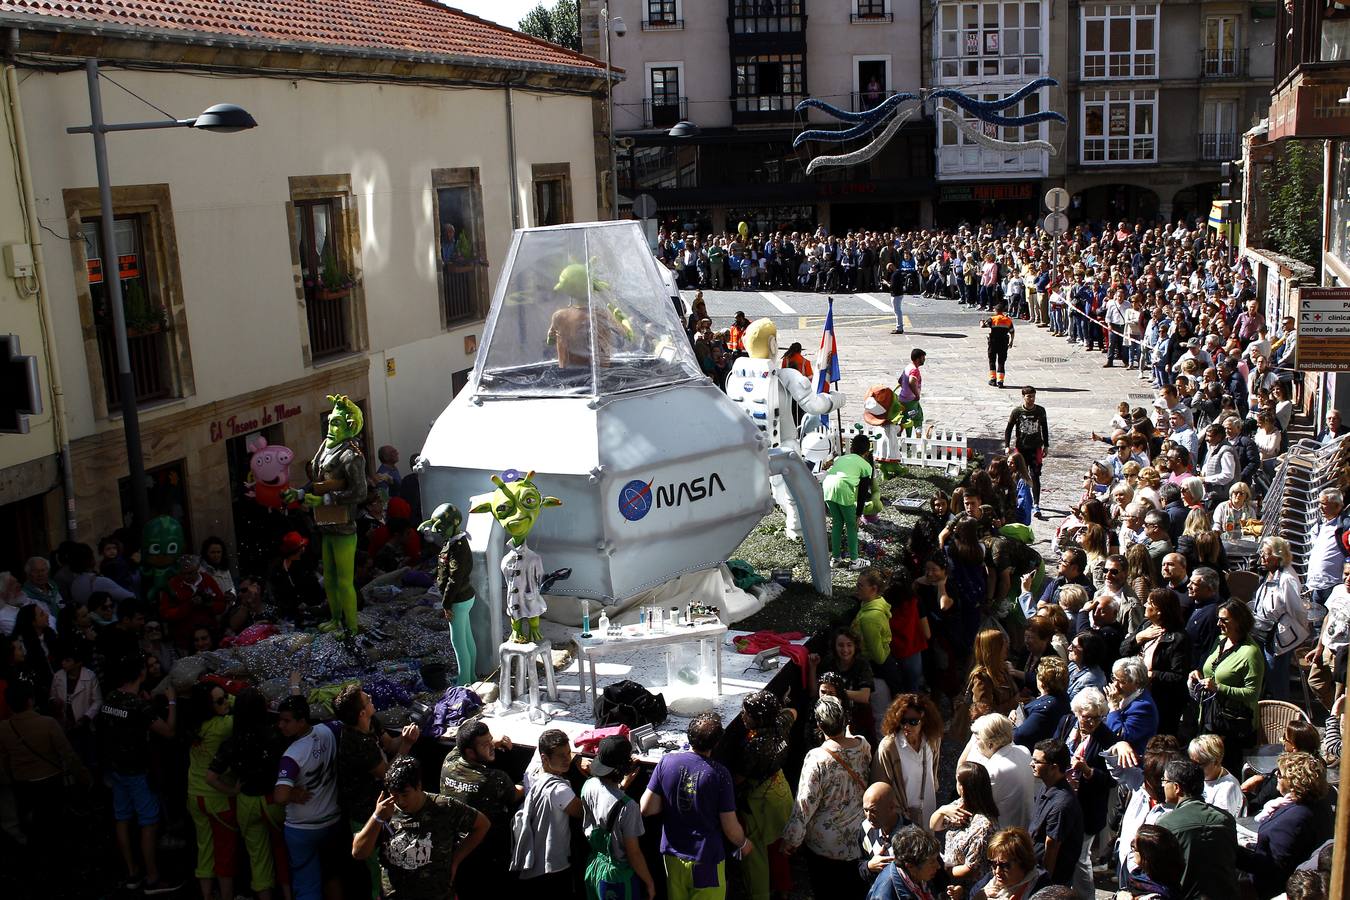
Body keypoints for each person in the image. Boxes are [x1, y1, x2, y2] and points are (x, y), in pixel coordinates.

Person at [641, 712, 750, 900]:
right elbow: (730, 826)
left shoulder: (666, 762)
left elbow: (646, 808)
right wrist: (744, 843)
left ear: (688, 735)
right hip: (705, 858)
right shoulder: (720, 774)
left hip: (673, 856)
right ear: (716, 743)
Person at [351, 756, 489, 900]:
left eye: (405, 794)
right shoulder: (385, 811)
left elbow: (482, 825)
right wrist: (377, 818)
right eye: (394, 795)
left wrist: (456, 859)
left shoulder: (444, 807)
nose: (400, 801)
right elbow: (358, 853)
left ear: (419, 785)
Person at [97, 655, 179, 894]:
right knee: (148, 823)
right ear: (140, 674)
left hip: (116, 769)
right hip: (138, 772)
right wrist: (172, 703)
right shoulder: (139, 706)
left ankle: (132, 872)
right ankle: (153, 878)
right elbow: (169, 732)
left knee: (122, 818)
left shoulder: (111, 697)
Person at [335, 683, 420, 898]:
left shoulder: (371, 722)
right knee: (379, 875)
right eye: (367, 699)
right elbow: (388, 775)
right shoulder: (356, 743)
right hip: (366, 815)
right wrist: (408, 745)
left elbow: (391, 745)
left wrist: (407, 735)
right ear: (361, 712)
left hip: (384, 811)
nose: (371, 697)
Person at [205, 687, 291, 900]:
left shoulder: (232, 742)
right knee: (283, 851)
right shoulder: (275, 734)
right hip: (274, 801)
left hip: (246, 802)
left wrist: (232, 791)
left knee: (258, 859)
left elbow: (211, 777)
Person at [784, 696, 869, 899]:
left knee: (826, 891)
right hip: (859, 836)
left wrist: (792, 839)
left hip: (825, 845)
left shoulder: (817, 758)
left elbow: (805, 803)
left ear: (820, 725)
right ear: (844, 719)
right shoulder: (863, 744)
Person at [0, 679, 84, 870]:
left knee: (33, 824)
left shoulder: (4, 728)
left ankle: (37, 861)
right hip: (50, 781)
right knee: (53, 822)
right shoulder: (47, 723)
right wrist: (83, 777)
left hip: (23, 783)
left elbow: (4, 760)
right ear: (30, 700)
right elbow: (68, 755)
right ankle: (58, 862)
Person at [275, 693, 347, 900]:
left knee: (307, 884)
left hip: (302, 829)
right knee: (332, 877)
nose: (281, 725)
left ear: (302, 721)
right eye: (280, 720)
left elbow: (280, 796)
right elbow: (343, 722)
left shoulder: (292, 754)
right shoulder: (328, 731)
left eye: (286, 721)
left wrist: (291, 794)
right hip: (331, 822)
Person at [439, 719, 522, 897]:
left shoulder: (449, 762)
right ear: (470, 752)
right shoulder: (493, 779)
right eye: (485, 745)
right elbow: (516, 793)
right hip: (487, 852)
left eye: (490, 740)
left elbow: (459, 745)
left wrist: (490, 742)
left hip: (457, 848)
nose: (491, 746)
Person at [729, 690, 796, 900]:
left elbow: (738, 779)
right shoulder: (781, 725)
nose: (742, 716)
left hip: (760, 802)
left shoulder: (753, 746)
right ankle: (784, 888)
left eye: (747, 713)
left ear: (758, 719)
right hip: (781, 791)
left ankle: (759, 894)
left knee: (755, 852)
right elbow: (793, 712)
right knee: (778, 846)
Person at [183, 681, 238, 900]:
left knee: (204, 850)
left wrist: (220, 697)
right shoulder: (223, 726)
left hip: (195, 796)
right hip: (219, 798)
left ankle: (206, 896)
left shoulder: (193, 725)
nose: (225, 702)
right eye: (219, 701)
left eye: (224, 697)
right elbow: (243, 706)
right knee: (225, 853)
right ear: (207, 706)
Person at [1157, 759, 1238, 900]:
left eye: (1165, 781)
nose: (1162, 785)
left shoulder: (1166, 824)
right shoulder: (1226, 819)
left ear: (1176, 787)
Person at [1120, 589, 1191, 736]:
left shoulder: (1178, 638)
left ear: (1159, 611)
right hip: (1136, 696)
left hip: (1162, 702)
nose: (1145, 604)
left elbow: (1178, 676)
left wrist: (1150, 674)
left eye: (1149, 603)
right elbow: (1123, 651)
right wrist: (1139, 638)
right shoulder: (1146, 625)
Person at [929, 762, 1001, 897]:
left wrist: (945, 870)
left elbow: (971, 869)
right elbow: (934, 826)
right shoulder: (959, 805)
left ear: (964, 788)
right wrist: (942, 810)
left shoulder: (983, 826)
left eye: (958, 781)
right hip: (951, 879)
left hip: (970, 889)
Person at [1251, 535, 1309, 701]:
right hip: (1262, 631)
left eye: (1266, 554)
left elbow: (1297, 611)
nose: (1262, 557)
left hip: (1277, 639)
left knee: (1276, 677)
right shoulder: (1269, 573)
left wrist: (1299, 635)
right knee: (1265, 674)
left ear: (1278, 557)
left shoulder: (1287, 579)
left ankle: (1281, 710)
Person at [872, 693, 942, 824]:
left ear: (924, 720)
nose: (907, 726)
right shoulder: (889, 747)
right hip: (903, 816)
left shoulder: (933, 739)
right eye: (903, 721)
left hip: (929, 808)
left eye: (913, 722)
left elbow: (934, 769)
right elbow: (880, 784)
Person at [960, 713, 1034, 831]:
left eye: (978, 739)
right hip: (1027, 825)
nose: (975, 744)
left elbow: (973, 804)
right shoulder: (1023, 751)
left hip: (1004, 833)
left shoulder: (992, 771)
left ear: (990, 744)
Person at [1027, 740, 1082, 888]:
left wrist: (1045, 883)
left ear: (1054, 767)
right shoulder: (1046, 787)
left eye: (1036, 761)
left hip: (1051, 879)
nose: (1031, 765)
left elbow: (1051, 847)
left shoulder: (1061, 804)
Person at [825, 434, 877, 569]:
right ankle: (855, 561)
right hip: (843, 489)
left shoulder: (842, 458)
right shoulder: (866, 465)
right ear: (867, 452)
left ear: (852, 448)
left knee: (837, 522)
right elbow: (863, 493)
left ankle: (835, 559)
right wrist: (859, 514)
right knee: (852, 525)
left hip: (827, 487)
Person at [1305, 559, 1350, 710]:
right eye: (1346, 574)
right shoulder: (1338, 590)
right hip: (1327, 648)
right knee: (1315, 682)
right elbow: (1328, 617)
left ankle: (1337, 723)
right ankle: (1337, 715)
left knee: (1340, 693)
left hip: (1343, 654)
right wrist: (1319, 647)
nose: (1348, 579)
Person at [969, 827, 1051, 900]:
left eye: (1005, 865)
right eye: (993, 863)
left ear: (1023, 863)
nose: (997, 871)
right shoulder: (986, 882)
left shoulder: (1041, 889)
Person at [866, 825, 942, 900]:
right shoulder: (884, 894)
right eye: (932, 862)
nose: (938, 866)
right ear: (910, 866)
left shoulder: (920, 877)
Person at [1006, 386, 1050, 514]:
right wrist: (1007, 446)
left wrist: (1046, 445)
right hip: (1021, 448)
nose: (1031, 399)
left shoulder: (1040, 411)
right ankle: (1016, 500)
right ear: (1023, 397)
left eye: (1033, 396)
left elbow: (1045, 428)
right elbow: (1008, 429)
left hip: (1035, 448)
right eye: (1029, 396)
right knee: (1017, 475)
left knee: (1035, 475)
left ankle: (1036, 504)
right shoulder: (1017, 412)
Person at [1105, 656, 1160, 757]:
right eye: (1114, 678)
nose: (1115, 685)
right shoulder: (1122, 696)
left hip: (1131, 764)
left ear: (1136, 683)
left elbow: (1122, 735)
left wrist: (1113, 707)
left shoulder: (1143, 707)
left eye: (1122, 682)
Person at [1014, 657, 1070, 748]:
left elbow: (1020, 736)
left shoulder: (1045, 708)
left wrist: (1011, 725)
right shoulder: (1063, 697)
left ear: (1042, 681)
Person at [1118, 824, 1185, 900]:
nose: (1132, 849)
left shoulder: (1158, 895)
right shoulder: (1141, 874)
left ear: (1147, 856)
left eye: (1135, 847)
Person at [1185, 734, 1243, 817]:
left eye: (1199, 764)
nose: (1194, 768)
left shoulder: (1229, 787)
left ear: (1216, 761)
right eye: (1192, 763)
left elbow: (1221, 822)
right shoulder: (1195, 776)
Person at [983, 302, 1016, 388]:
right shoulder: (1008, 320)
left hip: (993, 342)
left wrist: (981, 322)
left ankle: (993, 379)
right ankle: (1000, 381)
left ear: (996, 310)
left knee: (992, 361)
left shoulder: (992, 319)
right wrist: (1011, 342)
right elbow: (1012, 332)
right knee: (1001, 362)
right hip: (1003, 343)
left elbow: (983, 325)